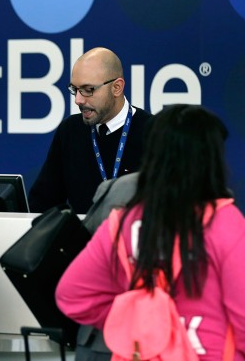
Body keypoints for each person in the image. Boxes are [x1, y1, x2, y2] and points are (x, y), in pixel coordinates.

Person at [56, 104, 245, 360]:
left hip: (140, 353)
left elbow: (72, 295)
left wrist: (134, 323)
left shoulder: (122, 221)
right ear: (210, 158)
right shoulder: (225, 220)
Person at [28, 47, 152, 215]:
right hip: (81, 240)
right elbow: (43, 203)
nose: (78, 100)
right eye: (74, 90)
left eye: (88, 90)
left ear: (117, 87)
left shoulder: (154, 132)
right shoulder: (70, 130)